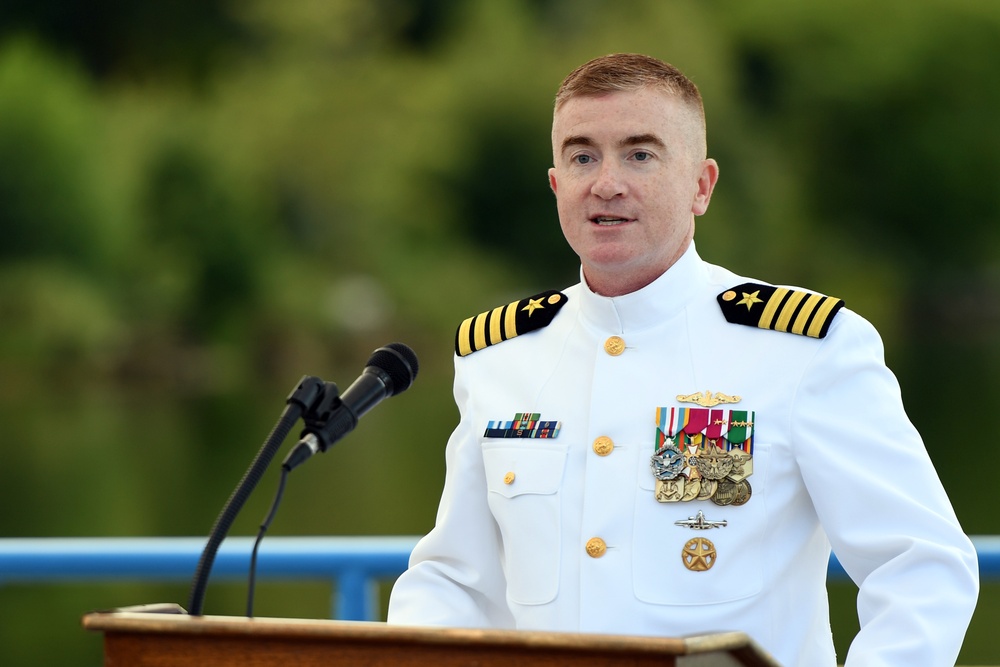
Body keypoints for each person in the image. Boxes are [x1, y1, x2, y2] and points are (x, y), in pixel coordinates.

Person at [386, 53, 979, 666]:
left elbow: (921, 567)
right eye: (582, 156)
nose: (606, 183)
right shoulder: (501, 355)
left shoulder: (803, 349)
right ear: (557, 184)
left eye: (640, 155)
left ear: (701, 185)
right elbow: (457, 582)